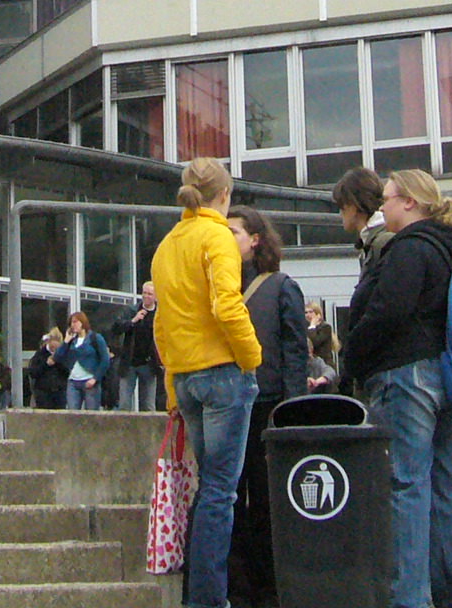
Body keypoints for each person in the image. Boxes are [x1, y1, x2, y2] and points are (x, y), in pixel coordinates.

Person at [342, 169, 452, 608]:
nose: (382, 206)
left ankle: (409, 598)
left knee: (405, 488)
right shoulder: (445, 248)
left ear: (409, 201)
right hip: (439, 373)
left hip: (403, 375)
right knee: (448, 486)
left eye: (387, 199)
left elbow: (389, 312)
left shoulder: (409, 248)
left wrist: (353, 355)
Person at [151, 157, 262, 608]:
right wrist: (251, 357)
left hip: (186, 377)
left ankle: (198, 595)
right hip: (222, 372)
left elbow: (162, 324)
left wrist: (171, 386)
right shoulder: (217, 238)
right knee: (220, 491)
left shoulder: (167, 244)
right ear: (225, 195)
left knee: (208, 488)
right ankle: (210, 599)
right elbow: (227, 305)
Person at [227, 205, 308, 608]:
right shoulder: (220, 284)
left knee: (265, 500)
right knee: (230, 498)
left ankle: (268, 586)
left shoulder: (281, 286)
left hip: (268, 404)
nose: (226, 239)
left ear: (255, 240)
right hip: (230, 402)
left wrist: (292, 410)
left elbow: (295, 352)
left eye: (234, 232)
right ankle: (238, 587)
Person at [331, 166, 392, 279]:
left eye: (342, 206)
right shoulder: (372, 241)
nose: (340, 213)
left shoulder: (382, 243)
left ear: (353, 206)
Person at [114, 282, 163, 412]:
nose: (146, 296)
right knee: (124, 404)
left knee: (148, 405)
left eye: (150, 294)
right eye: (144, 293)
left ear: (156, 297)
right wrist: (133, 321)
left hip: (149, 364)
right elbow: (116, 328)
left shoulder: (160, 315)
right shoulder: (132, 310)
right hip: (129, 362)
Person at [53, 309, 112, 410]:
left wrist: (95, 378)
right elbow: (57, 357)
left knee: (91, 413)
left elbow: (105, 360)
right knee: (73, 413)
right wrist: (66, 341)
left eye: (76, 322)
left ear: (83, 322)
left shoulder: (95, 338)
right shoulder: (72, 341)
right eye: (71, 323)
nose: (73, 325)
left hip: (90, 381)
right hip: (73, 381)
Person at [26, 327, 68, 409]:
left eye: (57, 348)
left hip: (59, 392)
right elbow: (33, 372)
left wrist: (58, 362)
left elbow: (67, 371)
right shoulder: (40, 354)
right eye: (52, 347)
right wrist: (46, 364)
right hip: (43, 392)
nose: (54, 350)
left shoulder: (63, 354)